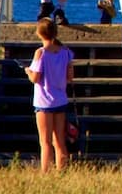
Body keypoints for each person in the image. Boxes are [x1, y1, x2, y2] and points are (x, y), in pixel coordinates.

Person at [26, 19, 75, 171]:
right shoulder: (66, 52)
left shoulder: (40, 53)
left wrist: (28, 71)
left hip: (44, 102)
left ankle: (46, 172)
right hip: (60, 100)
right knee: (59, 140)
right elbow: (70, 77)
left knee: (45, 142)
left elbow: (35, 78)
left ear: (40, 33)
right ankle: (63, 171)